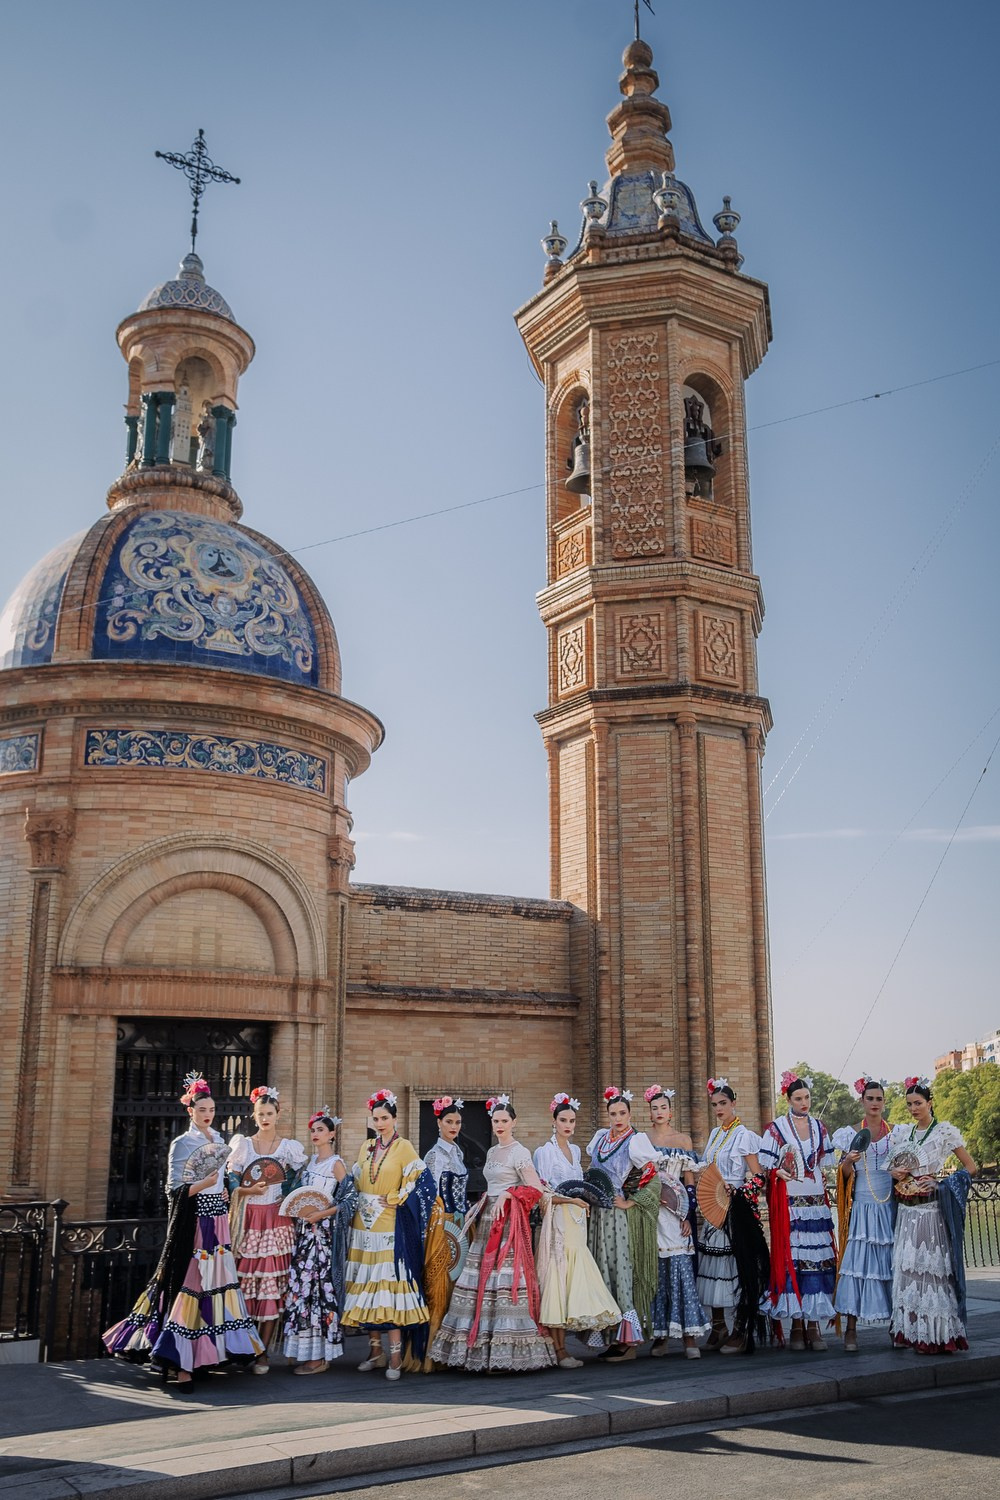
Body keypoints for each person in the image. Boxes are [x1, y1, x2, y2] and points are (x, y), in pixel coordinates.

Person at [103, 1073, 263, 1387]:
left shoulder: (218, 1140)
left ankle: (207, 1355)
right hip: (195, 1224)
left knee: (217, 1285)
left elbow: (221, 1181)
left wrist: (229, 1190)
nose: (208, 1114)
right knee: (191, 1284)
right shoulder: (182, 1143)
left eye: (212, 1109)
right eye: (202, 1109)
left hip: (218, 1220)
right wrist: (202, 1184)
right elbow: (173, 1189)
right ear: (190, 1111)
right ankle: (181, 1363)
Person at [430, 1095, 555, 1372]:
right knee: (481, 1282)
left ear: (514, 1122)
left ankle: (507, 1352)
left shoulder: (519, 1151)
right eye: (496, 1121)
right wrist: (486, 1199)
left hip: (508, 1222)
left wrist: (508, 1194)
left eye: (504, 1121)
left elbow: (534, 1188)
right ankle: (481, 1350)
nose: (499, 1125)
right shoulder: (491, 1152)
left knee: (503, 1279)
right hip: (488, 1218)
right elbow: (495, 1184)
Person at [341, 1088, 431, 1380]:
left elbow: (419, 1181)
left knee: (388, 1289)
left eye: (385, 1117)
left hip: (389, 1225)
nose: (379, 1123)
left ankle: (395, 1357)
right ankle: (375, 1351)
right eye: (376, 1118)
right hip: (363, 1225)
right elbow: (355, 1180)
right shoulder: (366, 1146)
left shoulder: (404, 1147)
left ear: (394, 1118)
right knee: (367, 1286)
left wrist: (394, 1197)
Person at [888, 1076, 977, 1354]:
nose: (914, 1108)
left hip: (931, 1209)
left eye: (918, 1103)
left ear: (930, 1103)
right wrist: (895, 1173)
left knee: (932, 1270)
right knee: (908, 1268)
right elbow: (895, 1166)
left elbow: (970, 1167)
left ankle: (937, 1335)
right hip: (907, 1209)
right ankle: (910, 1330)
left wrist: (941, 1184)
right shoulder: (905, 1134)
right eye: (910, 1104)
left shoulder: (944, 1132)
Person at [533, 1091, 621, 1366]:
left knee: (574, 1281)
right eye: (563, 1120)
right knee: (556, 1283)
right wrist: (571, 1199)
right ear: (554, 1121)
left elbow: (581, 1186)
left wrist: (584, 1201)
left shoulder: (575, 1150)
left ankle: (567, 1345)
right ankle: (559, 1351)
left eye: (572, 1120)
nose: (568, 1125)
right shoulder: (543, 1152)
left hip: (578, 1221)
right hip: (557, 1220)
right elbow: (542, 1193)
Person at [227, 1085, 307, 1373]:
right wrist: (246, 1190)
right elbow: (232, 1177)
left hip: (278, 1219)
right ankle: (243, 1345)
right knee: (247, 1283)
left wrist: (289, 1191)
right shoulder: (243, 1145)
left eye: (269, 1113)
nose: (265, 1118)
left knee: (273, 1286)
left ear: (278, 1115)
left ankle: (263, 1351)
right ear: (254, 1114)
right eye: (260, 1113)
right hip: (249, 1218)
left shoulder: (289, 1148)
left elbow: (300, 1177)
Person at [758, 1071, 838, 1350]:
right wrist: (779, 1170)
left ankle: (813, 1325)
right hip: (790, 1200)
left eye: (807, 1098)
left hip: (815, 1199)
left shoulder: (820, 1127)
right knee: (794, 1258)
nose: (804, 1102)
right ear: (788, 1099)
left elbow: (825, 1163)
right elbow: (767, 1166)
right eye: (798, 1098)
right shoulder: (776, 1128)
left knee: (816, 1259)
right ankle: (796, 1325)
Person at [630, 1085, 709, 1359]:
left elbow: (690, 1180)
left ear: (670, 1111)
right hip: (652, 1214)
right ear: (649, 1113)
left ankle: (689, 1338)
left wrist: (687, 1215)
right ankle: (660, 1337)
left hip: (677, 1216)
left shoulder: (683, 1140)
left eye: (663, 1107)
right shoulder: (642, 1140)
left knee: (681, 1273)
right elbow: (636, 1178)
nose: (659, 1112)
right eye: (654, 1108)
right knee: (657, 1275)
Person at [696, 1078, 769, 1354]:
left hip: (736, 1208)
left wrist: (737, 1192)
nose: (718, 1108)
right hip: (714, 1207)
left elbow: (758, 1176)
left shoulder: (744, 1135)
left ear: (734, 1103)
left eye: (723, 1103)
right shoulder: (715, 1135)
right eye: (714, 1104)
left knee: (737, 1268)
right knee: (712, 1267)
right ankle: (718, 1326)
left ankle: (741, 1328)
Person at [283, 1107, 358, 1374]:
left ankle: (321, 1355)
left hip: (323, 1235)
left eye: (321, 1130)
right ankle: (305, 1349)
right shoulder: (309, 1165)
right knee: (303, 1289)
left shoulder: (336, 1164)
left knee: (319, 1288)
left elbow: (350, 1199)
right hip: (305, 1234)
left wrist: (321, 1214)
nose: (315, 1134)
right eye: (313, 1130)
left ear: (332, 1134)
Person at [585, 1086, 650, 1361]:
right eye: (613, 1113)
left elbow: (651, 1177)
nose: (618, 1118)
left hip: (616, 1214)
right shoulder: (600, 1137)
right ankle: (613, 1337)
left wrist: (629, 1202)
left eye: (622, 1113)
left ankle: (630, 1342)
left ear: (630, 1113)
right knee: (601, 1270)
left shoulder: (636, 1141)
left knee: (620, 1269)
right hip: (597, 1213)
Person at [832, 1075, 894, 1350]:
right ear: (862, 1101)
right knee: (856, 1268)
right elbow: (844, 1175)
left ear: (884, 1102)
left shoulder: (896, 1134)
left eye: (879, 1099)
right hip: (861, 1208)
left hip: (889, 1207)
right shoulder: (849, 1134)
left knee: (891, 1267)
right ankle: (851, 1331)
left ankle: (898, 1327)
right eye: (870, 1098)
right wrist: (847, 1160)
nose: (875, 1103)